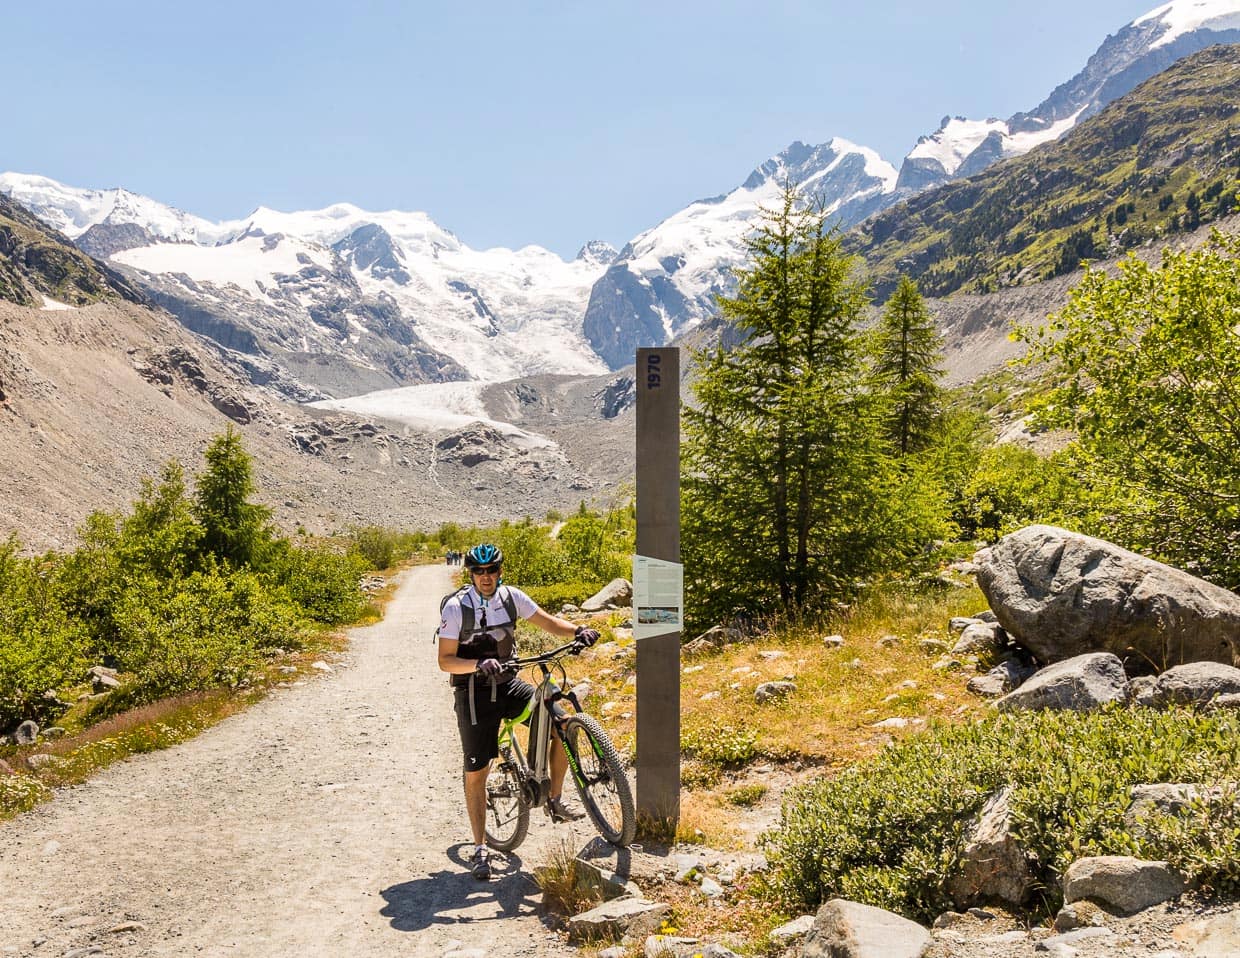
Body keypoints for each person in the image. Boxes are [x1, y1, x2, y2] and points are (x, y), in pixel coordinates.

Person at [437, 542, 600, 881]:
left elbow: (548, 622)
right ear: (471, 574)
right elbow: (445, 660)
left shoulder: (511, 597)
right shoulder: (456, 608)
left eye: (491, 570)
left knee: (557, 715)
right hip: (472, 693)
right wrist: (478, 663)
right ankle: (481, 848)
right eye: (479, 572)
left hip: (509, 684)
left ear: (500, 571)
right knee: (478, 770)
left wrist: (577, 630)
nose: (486, 577)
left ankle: (554, 798)